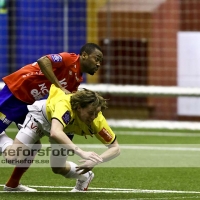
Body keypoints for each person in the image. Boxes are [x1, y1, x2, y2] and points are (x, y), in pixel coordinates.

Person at [0, 43, 103, 191]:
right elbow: (43, 61)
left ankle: (12, 185)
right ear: (84, 55)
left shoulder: (77, 79)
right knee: (23, 149)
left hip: (30, 103)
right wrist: (60, 87)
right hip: (16, 92)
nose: (98, 64)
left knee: (33, 146)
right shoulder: (69, 59)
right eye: (97, 58)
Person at [1, 84, 120, 192]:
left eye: (97, 113)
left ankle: (85, 176)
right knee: (13, 157)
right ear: (79, 107)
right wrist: (82, 153)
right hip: (40, 119)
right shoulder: (64, 105)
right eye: (90, 113)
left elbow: (115, 148)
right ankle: (1, 136)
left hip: (64, 129)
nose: (93, 117)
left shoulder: (97, 121)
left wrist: (97, 160)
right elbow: (55, 132)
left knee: (58, 167)